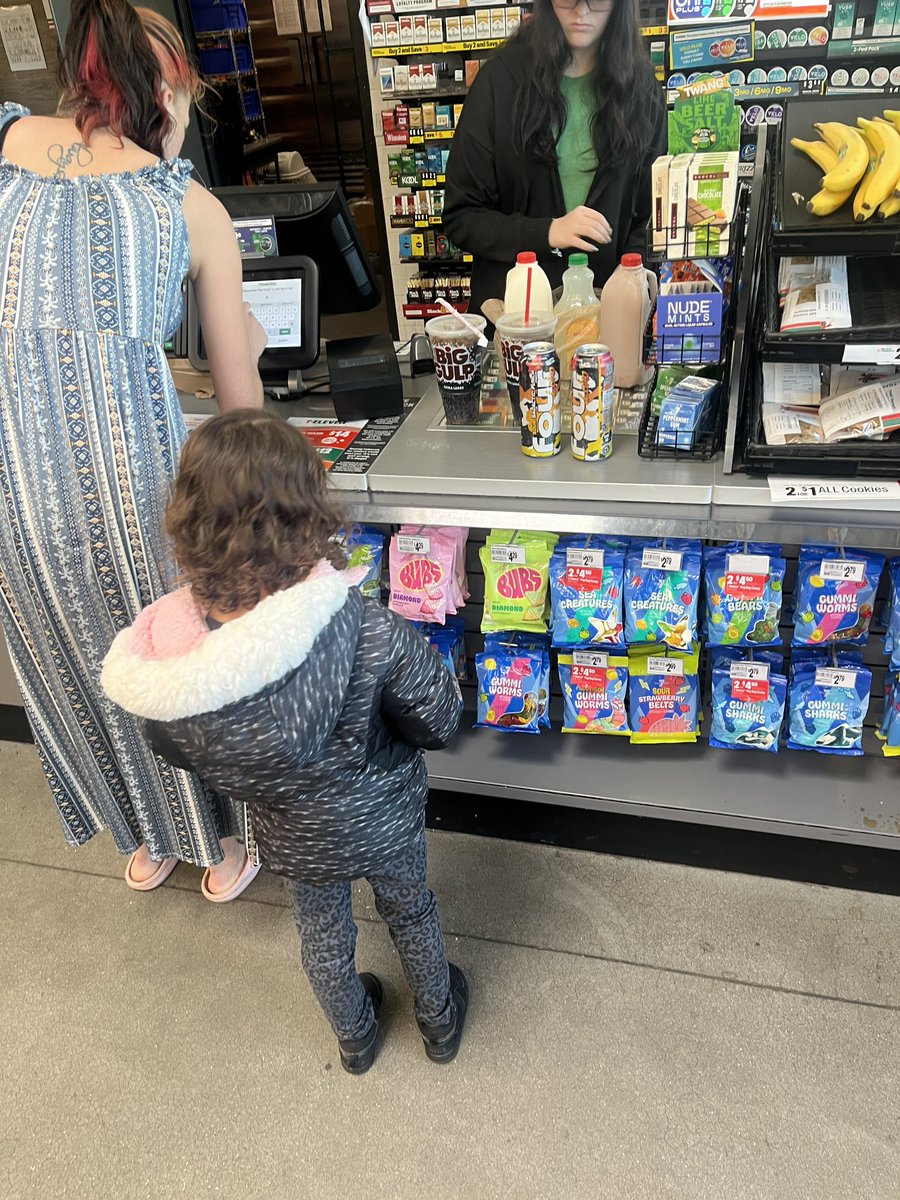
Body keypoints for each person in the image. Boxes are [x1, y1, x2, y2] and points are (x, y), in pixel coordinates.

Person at [100, 410, 468, 1074]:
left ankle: (355, 1037)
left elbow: (175, 747)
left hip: (292, 835)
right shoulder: (368, 630)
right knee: (411, 908)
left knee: (322, 933)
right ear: (308, 516)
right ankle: (439, 1020)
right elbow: (439, 719)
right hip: (384, 817)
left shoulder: (180, 672)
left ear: (188, 525)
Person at [0, 0, 268, 898]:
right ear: (169, 89)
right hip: (132, 488)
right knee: (166, 658)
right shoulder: (184, 203)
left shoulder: (6, 146)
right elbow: (241, 414)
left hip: (15, 488)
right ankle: (217, 850)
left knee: (69, 662)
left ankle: (141, 842)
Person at [443, 0, 666, 316]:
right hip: (516, 328)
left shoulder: (643, 94)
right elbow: (461, 216)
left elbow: (649, 214)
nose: (581, 10)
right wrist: (547, 232)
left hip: (605, 326)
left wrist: (632, 267)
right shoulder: (499, 83)